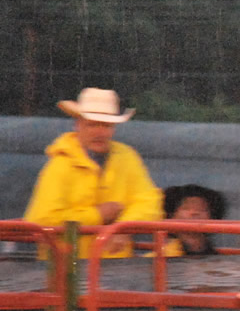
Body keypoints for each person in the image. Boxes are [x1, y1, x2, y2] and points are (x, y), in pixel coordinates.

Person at [25, 88, 164, 258]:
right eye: (92, 124)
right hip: (68, 273)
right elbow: (41, 220)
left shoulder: (127, 157)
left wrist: (123, 228)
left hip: (116, 270)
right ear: (78, 124)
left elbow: (150, 202)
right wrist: (98, 215)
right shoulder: (60, 165)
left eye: (106, 125)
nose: (100, 132)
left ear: (114, 128)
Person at [159, 184, 228, 256]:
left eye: (202, 209)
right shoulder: (162, 256)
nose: (194, 213)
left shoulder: (218, 260)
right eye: (186, 208)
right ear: (171, 215)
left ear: (212, 216)